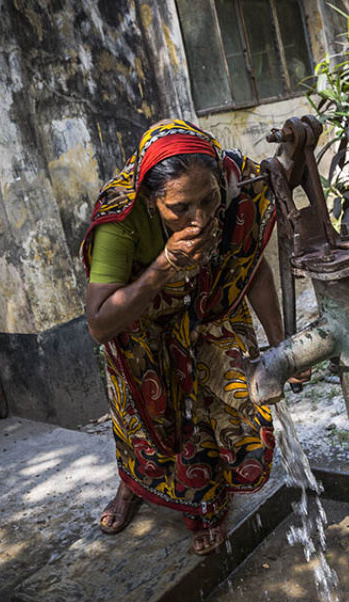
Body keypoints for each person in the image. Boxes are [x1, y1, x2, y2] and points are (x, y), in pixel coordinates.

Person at [81, 119, 306, 555]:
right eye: (180, 208)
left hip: (212, 308)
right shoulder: (121, 217)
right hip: (141, 321)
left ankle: (207, 501)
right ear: (150, 201)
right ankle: (132, 486)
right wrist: (164, 264)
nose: (199, 218)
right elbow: (99, 323)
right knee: (146, 419)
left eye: (209, 201)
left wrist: (283, 348)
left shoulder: (235, 182)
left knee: (223, 400)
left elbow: (251, 267)